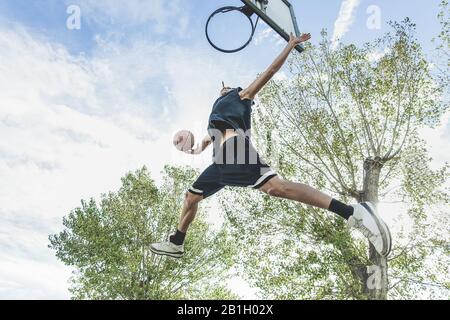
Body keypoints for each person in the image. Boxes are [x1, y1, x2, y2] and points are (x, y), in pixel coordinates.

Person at [150, 33, 392, 259]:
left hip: (233, 154)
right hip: (224, 163)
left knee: (268, 189)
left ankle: (352, 212)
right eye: (221, 89)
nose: (223, 88)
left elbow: (270, 71)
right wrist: (188, 147)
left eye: (226, 88)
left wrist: (290, 45)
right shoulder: (215, 120)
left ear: (232, 91)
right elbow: (201, 145)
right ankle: (177, 241)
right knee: (198, 196)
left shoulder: (240, 96)